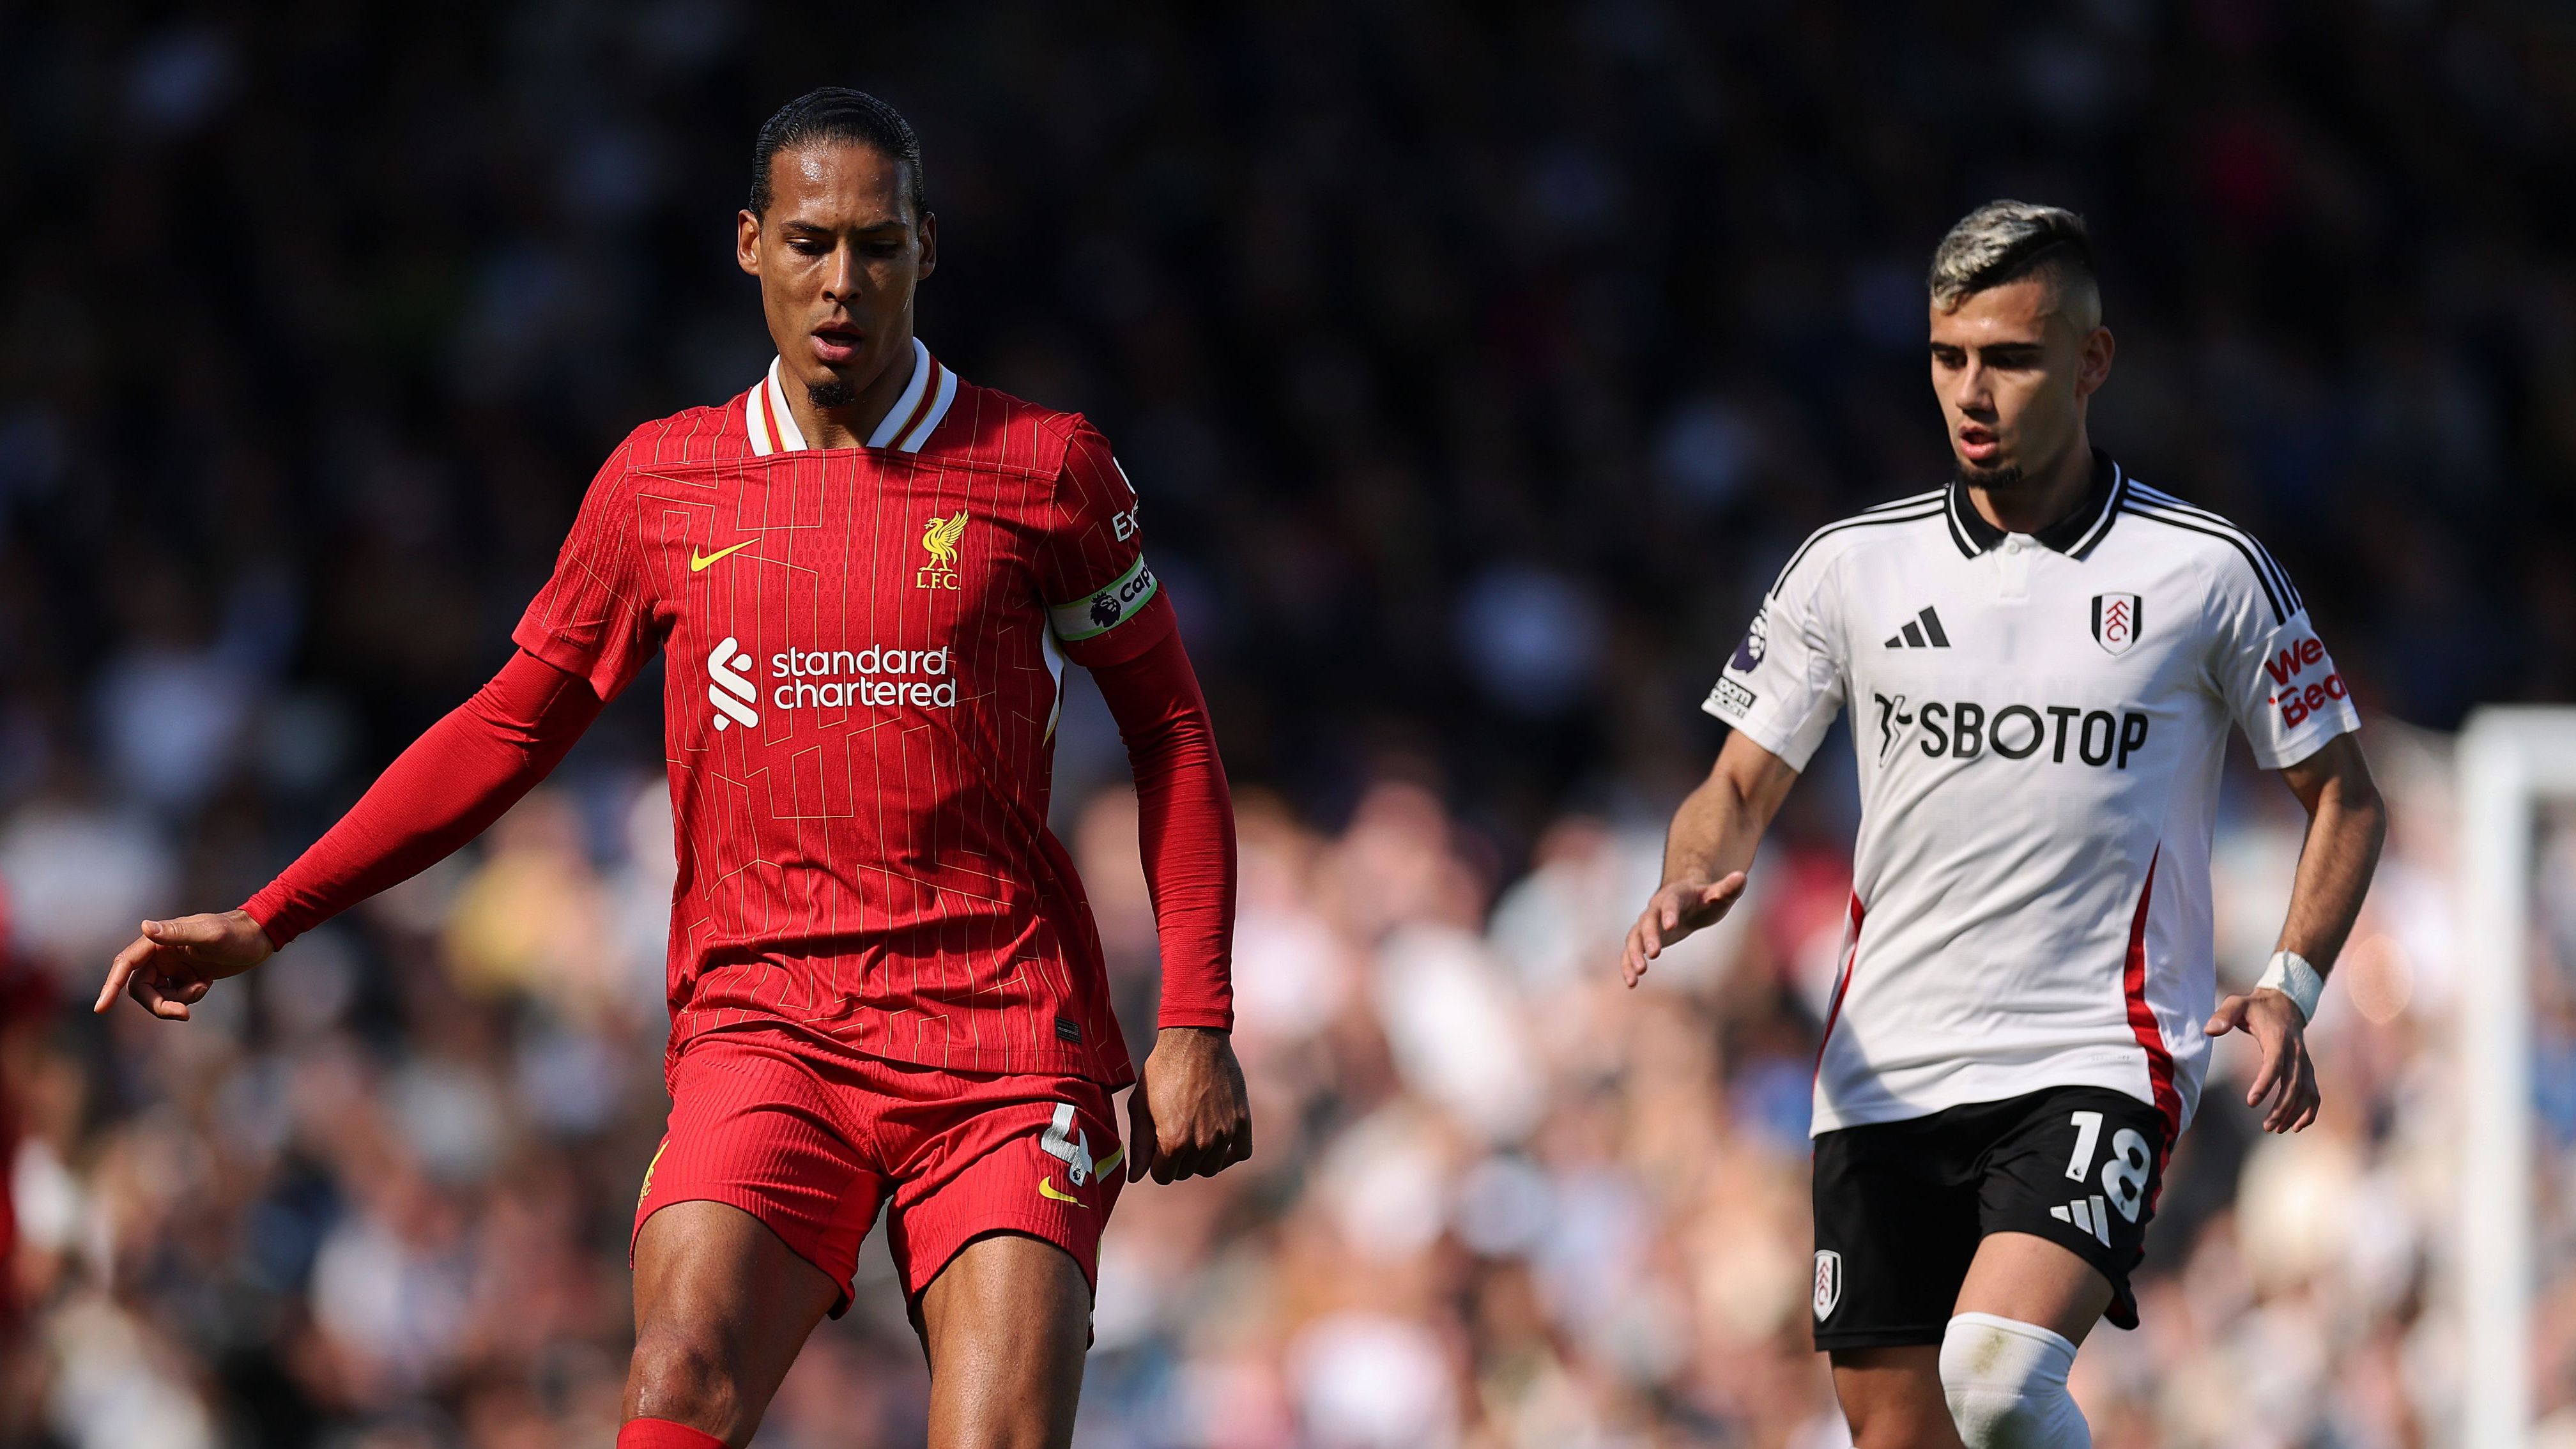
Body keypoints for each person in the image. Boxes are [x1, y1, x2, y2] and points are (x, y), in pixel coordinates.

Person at [95, 88, 1251, 1449]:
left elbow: (1172, 731)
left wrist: (1196, 1017)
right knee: (675, 1382)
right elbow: (509, 728)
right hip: (767, 1026)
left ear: (926, 250)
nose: (842, 281)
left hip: (998, 1034)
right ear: (750, 244)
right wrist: (270, 916)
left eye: (877, 245)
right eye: (809, 242)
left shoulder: (1044, 468)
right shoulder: (663, 484)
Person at [1622, 201, 2384, 1448]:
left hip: (2098, 1051)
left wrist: (2292, 983)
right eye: (1950, 357)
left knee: (1999, 1379)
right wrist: (1692, 873)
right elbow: (1737, 787)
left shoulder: (2205, 573)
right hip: (1884, 1067)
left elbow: (2346, 792)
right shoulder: (1849, 567)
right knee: (1906, 1436)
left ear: (2091, 362)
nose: (1973, 392)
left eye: (2013, 358)